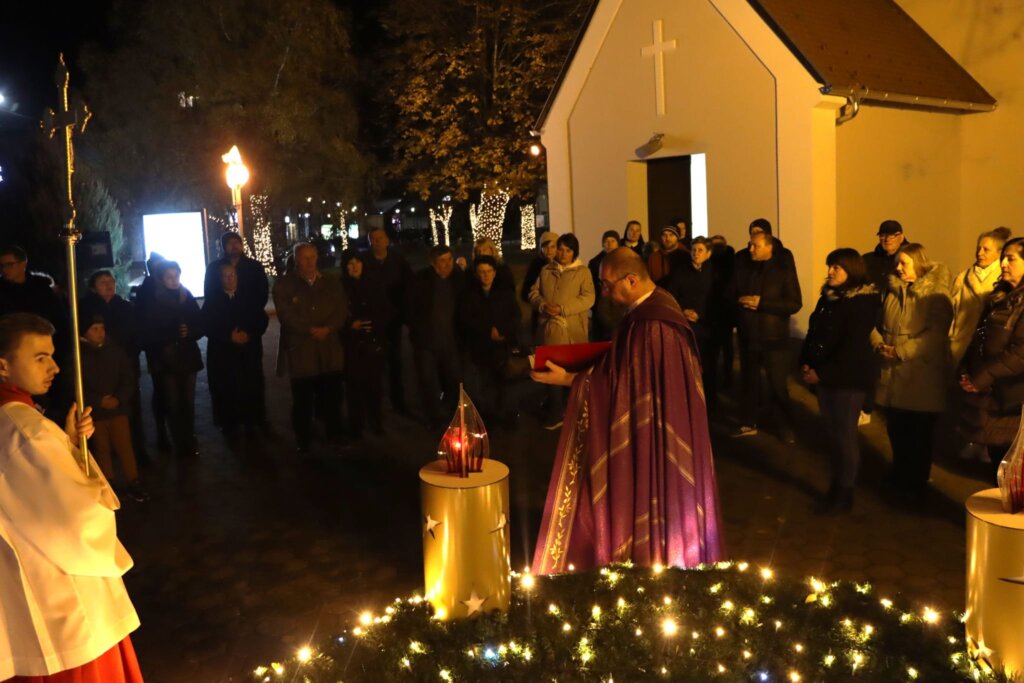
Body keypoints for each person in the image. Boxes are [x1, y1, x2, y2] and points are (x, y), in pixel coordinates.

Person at [530, 248, 724, 573]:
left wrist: (571, 380)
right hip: (660, 425)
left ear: (631, 279)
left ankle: (652, 554)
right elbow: (627, 375)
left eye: (607, 285)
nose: (604, 292)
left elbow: (625, 389)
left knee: (652, 485)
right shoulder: (652, 308)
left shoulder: (652, 325)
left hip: (655, 435)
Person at [0, 312, 144, 683]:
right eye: (39, 357)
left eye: (51, 355)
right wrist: (74, 462)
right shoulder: (27, 430)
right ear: (3, 365)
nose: (55, 367)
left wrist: (67, 445)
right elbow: (77, 522)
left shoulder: (18, 423)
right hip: (68, 610)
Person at [799, 249, 880, 514]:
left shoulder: (862, 303)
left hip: (848, 380)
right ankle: (836, 484)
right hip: (825, 376)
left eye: (837, 268)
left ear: (852, 271)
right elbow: (815, 332)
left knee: (845, 436)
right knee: (833, 434)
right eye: (830, 266)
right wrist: (807, 361)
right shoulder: (829, 298)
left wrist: (822, 373)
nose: (831, 272)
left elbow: (853, 347)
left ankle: (845, 492)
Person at [871, 243, 952, 503]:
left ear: (919, 263)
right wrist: (878, 343)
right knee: (896, 429)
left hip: (920, 377)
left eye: (904, 262)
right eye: (897, 262)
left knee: (918, 434)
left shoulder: (936, 295)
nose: (899, 267)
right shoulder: (892, 291)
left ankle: (915, 484)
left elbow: (935, 334)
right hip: (893, 374)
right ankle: (900, 473)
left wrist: (902, 351)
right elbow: (874, 322)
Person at [959, 237, 1024, 484]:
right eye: (1003, 257)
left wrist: (982, 377)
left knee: (1013, 470)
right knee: (999, 467)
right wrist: (966, 370)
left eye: (1012, 258)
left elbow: (1020, 354)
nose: (1004, 263)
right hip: (993, 395)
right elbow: (979, 337)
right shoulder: (1000, 297)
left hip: (1014, 397)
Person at [273, 243, 349, 454]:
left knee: (332, 396)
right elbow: (286, 315)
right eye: (304, 258)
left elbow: (342, 308)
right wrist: (310, 330)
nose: (309, 262)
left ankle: (334, 433)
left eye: (312, 257)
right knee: (303, 400)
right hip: (302, 351)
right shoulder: (284, 285)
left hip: (329, 350)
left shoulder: (331, 282)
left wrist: (329, 328)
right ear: (296, 260)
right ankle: (303, 438)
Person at [731, 232, 802, 440]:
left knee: (778, 385)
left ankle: (786, 426)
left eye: (756, 246)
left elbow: (794, 303)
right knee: (749, 383)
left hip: (774, 339)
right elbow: (731, 293)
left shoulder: (783, 272)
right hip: (748, 337)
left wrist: (762, 303)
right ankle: (748, 421)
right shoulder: (744, 270)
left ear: (769, 248)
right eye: (750, 245)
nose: (750, 249)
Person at [78, 311, 148, 502]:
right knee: (102, 448)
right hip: (96, 412)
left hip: (117, 409)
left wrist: (119, 398)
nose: (100, 333)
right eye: (94, 329)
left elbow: (127, 377)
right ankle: (108, 483)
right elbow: (75, 385)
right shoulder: (78, 356)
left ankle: (134, 481)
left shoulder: (115, 350)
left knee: (124, 445)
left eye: (102, 329)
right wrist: (97, 400)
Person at [82, 270, 149, 464]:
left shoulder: (125, 307)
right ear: (94, 287)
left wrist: (131, 351)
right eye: (103, 282)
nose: (109, 285)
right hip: (97, 367)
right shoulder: (86, 308)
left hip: (125, 363)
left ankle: (137, 451)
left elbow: (136, 332)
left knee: (131, 408)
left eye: (111, 281)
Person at [530, 234, 596, 429]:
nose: (563, 253)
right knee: (552, 368)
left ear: (574, 252)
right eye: (560, 249)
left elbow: (588, 297)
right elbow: (533, 293)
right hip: (549, 330)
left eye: (568, 250)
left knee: (573, 372)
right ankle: (555, 411)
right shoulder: (545, 271)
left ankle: (574, 411)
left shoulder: (582, 272)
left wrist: (563, 308)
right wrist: (543, 305)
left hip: (573, 331)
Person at [139, 261, 204, 459]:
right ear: (161, 278)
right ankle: (179, 441)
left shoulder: (186, 295)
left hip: (187, 357)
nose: (174, 281)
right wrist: (171, 333)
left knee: (188, 401)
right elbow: (147, 331)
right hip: (166, 359)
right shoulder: (152, 300)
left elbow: (199, 323)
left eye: (176, 276)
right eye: (169, 277)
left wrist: (191, 331)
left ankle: (189, 438)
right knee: (173, 402)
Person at [201, 262, 270, 439]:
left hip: (248, 351)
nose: (230, 278)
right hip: (223, 354)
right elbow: (207, 324)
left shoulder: (248, 297)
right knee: (226, 388)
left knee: (251, 386)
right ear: (219, 278)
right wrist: (228, 336)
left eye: (233, 275)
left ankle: (252, 421)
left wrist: (249, 334)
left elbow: (261, 319)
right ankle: (229, 424)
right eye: (226, 275)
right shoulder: (213, 300)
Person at [458, 256, 521, 427]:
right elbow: (466, 319)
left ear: (494, 272)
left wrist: (503, 332)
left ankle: (507, 417)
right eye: (481, 272)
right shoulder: (469, 295)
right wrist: (487, 331)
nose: (485, 275)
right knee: (484, 385)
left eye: (488, 271)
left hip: (502, 346)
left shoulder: (505, 293)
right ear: (476, 274)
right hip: (480, 348)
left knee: (505, 384)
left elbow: (514, 316)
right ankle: (488, 420)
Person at [406, 245, 464, 429]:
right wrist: (418, 331)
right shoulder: (420, 280)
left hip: (452, 342)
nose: (447, 265)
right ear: (433, 263)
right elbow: (410, 309)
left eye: (449, 260)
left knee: (454, 382)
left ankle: (454, 417)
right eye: (442, 261)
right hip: (427, 343)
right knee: (428, 383)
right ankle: (434, 419)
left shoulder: (459, 280)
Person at [362, 227, 413, 416]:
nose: (376, 241)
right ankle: (374, 405)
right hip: (374, 320)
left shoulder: (398, 260)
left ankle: (398, 401)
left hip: (393, 319)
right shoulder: (364, 261)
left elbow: (409, 284)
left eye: (380, 238)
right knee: (374, 363)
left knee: (395, 362)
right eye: (372, 239)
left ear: (387, 240)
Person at [341, 251, 389, 439]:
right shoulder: (341, 287)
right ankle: (356, 425)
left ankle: (376, 421)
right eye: (350, 263)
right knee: (354, 387)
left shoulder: (373, 284)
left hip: (373, 340)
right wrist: (349, 324)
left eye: (357, 262)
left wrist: (375, 324)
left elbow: (385, 309)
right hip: (352, 344)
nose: (354, 266)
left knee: (374, 386)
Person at [665, 237, 716, 405]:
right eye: (694, 250)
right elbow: (672, 294)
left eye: (700, 250)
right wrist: (682, 310)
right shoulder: (681, 272)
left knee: (707, 364)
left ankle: (708, 401)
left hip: (707, 324)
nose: (696, 254)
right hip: (685, 323)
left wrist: (700, 314)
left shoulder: (715, 273)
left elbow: (717, 299)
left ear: (708, 253)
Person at [950, 228, 1011, 365]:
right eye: (978, 248)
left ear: (999, 253)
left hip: (990, 346)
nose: (979, 253)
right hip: (961, 345)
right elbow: (951, 311)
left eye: (986, 249)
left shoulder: (1005, 278)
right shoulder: (963, 277)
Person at [203, 231, 270, 306]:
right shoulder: (214, 268)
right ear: (224, 247)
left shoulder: (254, 266)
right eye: (229, 243)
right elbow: (209, 293)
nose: (234, 245)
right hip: (221, 313)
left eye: (236, 242)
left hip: (250, 313)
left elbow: (262, 292)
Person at [588, 230, 626, 341]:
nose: (609, 244)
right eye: (606, 241)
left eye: (612, 241)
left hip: (620, 304)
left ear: (618, 243)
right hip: (601, 304)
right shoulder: (595, 262)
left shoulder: (624, 260)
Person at [863, 219, 906, 294]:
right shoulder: (867, 260)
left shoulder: (910, 260)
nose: (887, 239)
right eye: (882, 235)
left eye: (892, 236)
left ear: (901, 237)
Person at [521, 231, 558, 306]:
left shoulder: (562, 264)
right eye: (545, 247)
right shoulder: (536, 265)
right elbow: (526, 291)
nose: (549, 251)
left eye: (552, 247)